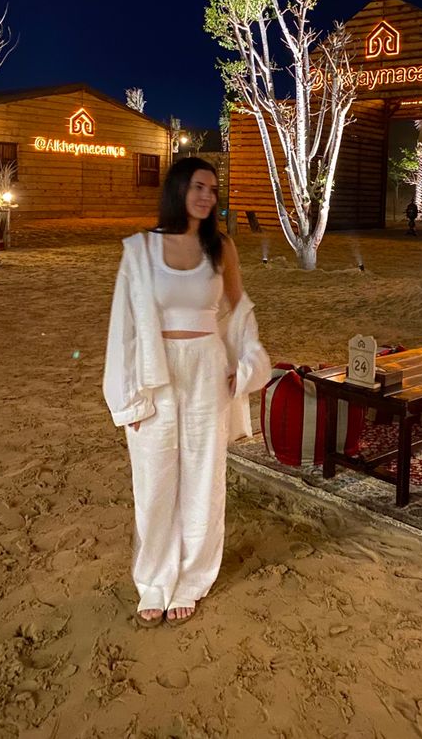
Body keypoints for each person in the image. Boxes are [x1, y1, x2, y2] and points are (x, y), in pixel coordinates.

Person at [103, 157, 271, 628]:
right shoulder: (139, 251)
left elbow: (239, 312)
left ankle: (193, 577)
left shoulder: (220, 247)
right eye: (199, 186)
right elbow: (124, 328)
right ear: (178, 189)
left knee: (203, 477)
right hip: (155, 374)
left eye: (213, 189)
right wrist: (129, 397)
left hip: (206, 372)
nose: (207, 196)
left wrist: (247, 363)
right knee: (154, 481)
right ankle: (153, 580)